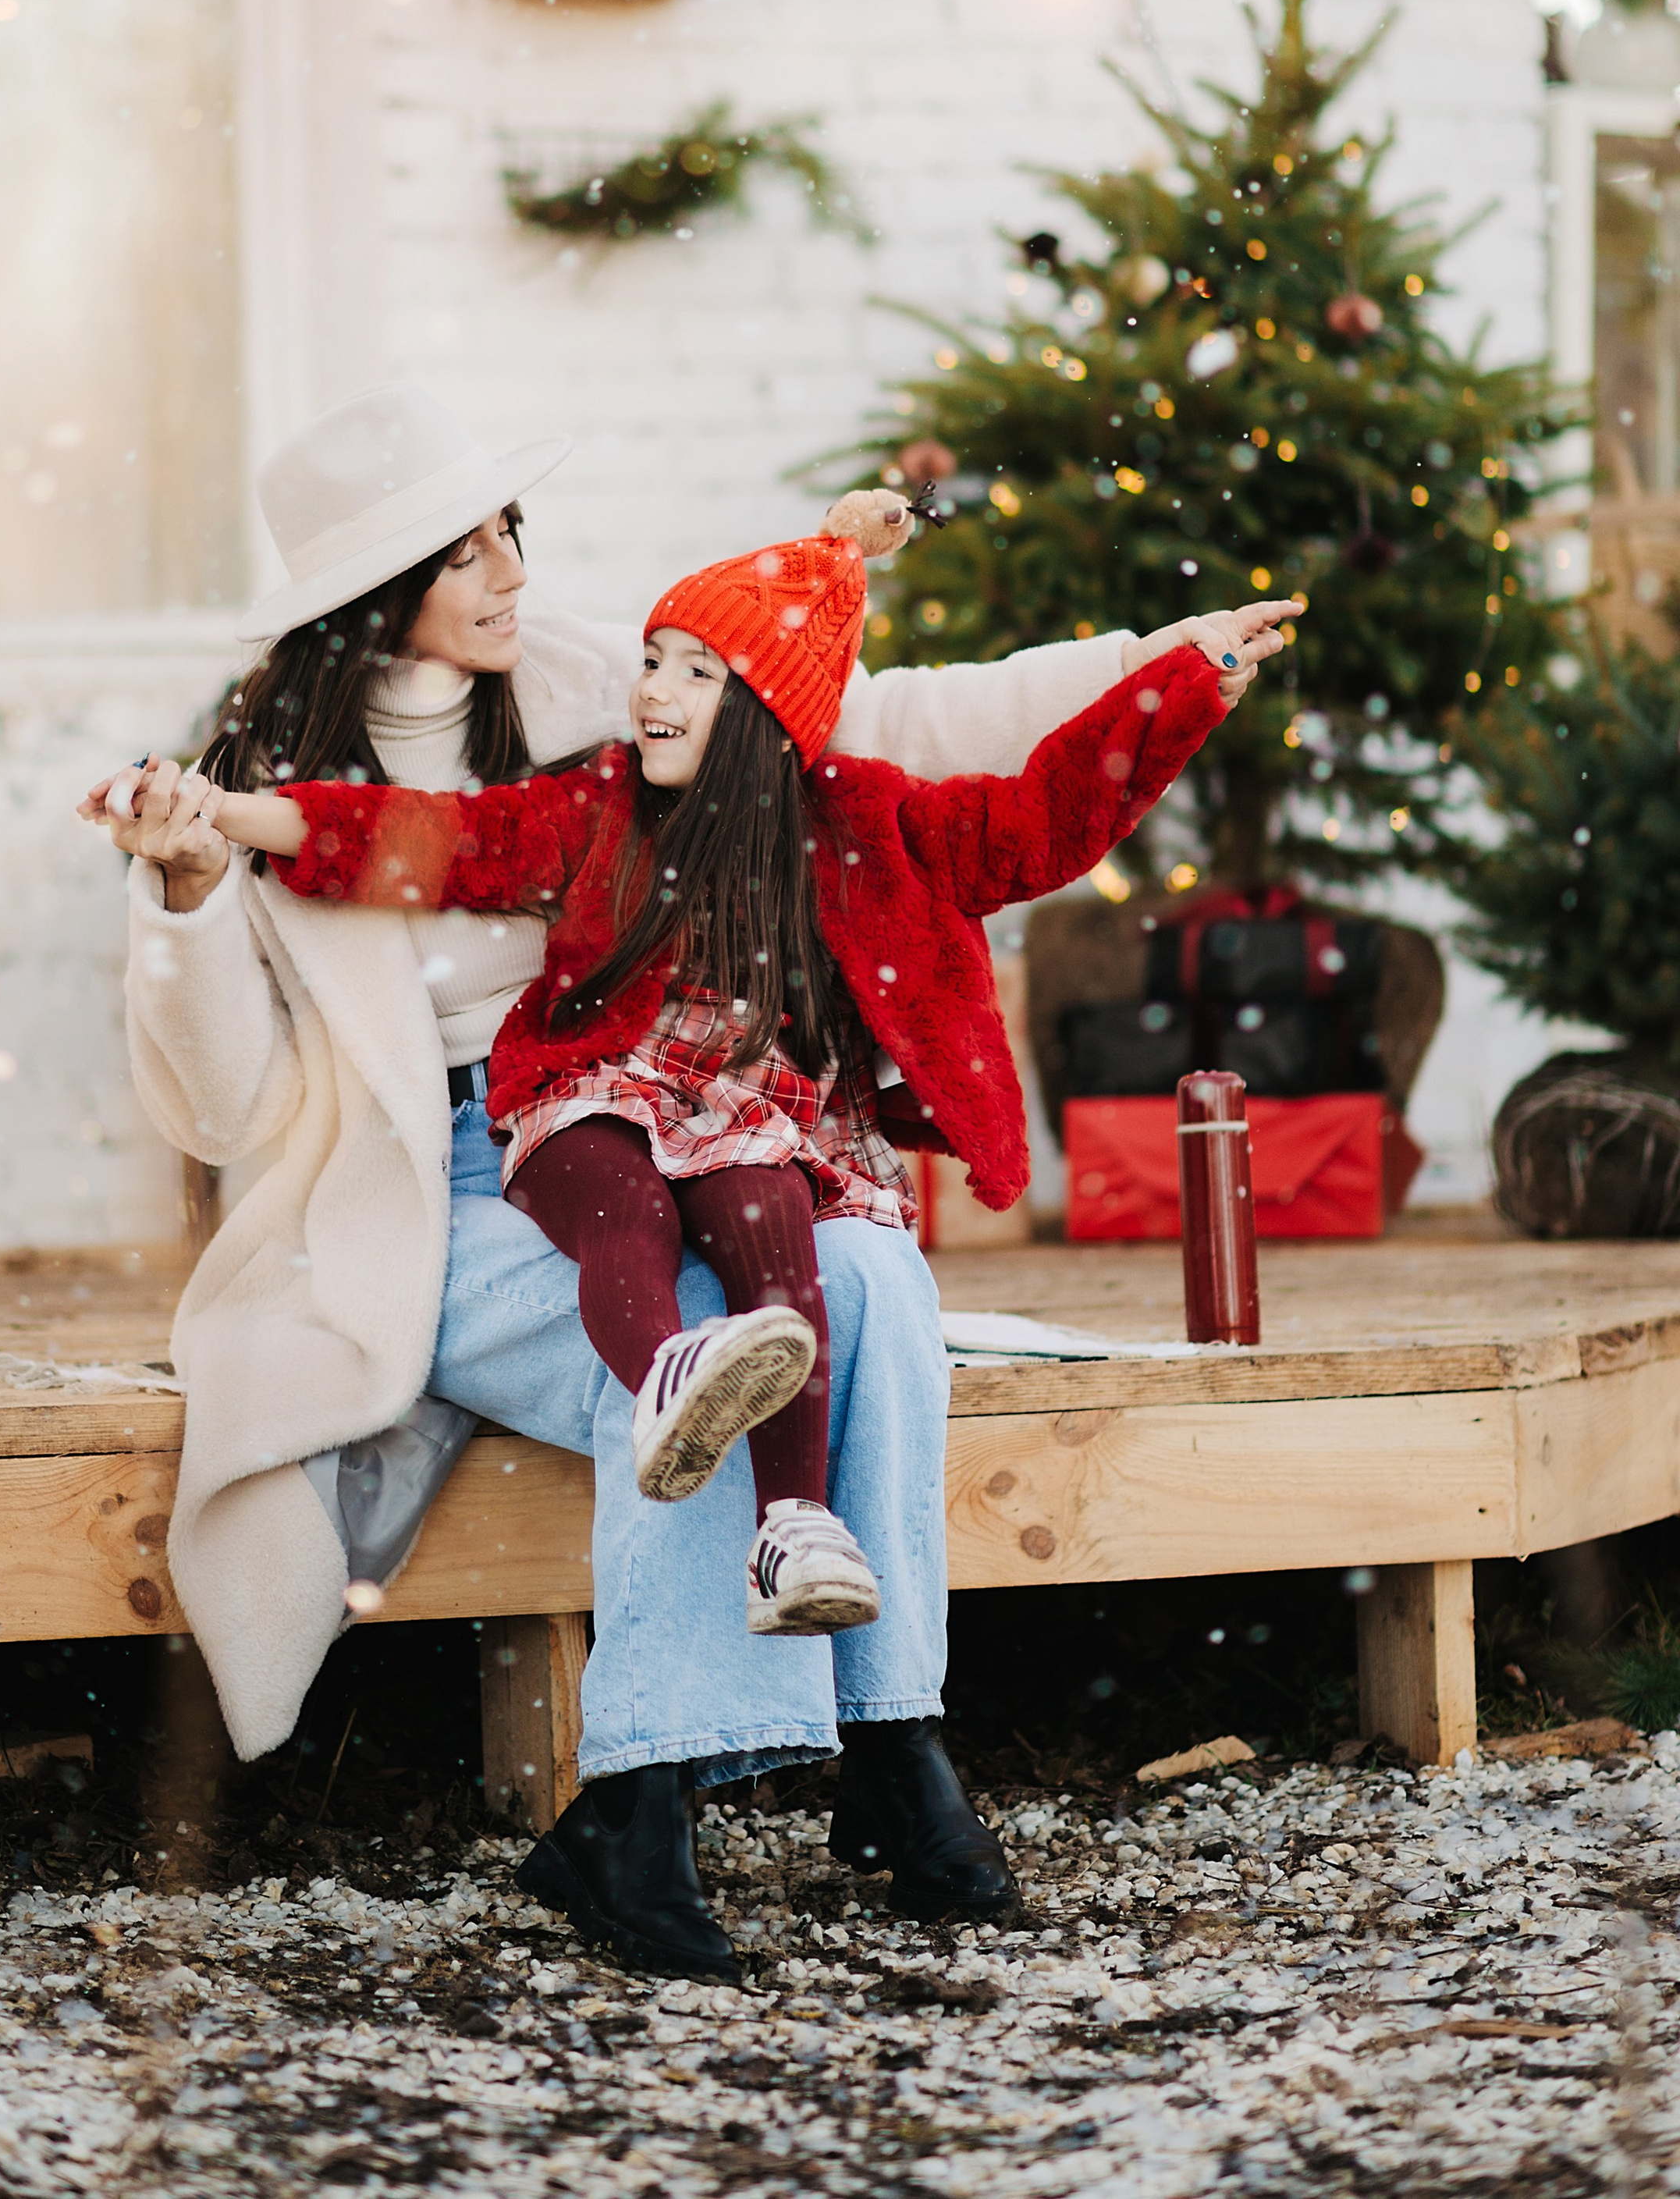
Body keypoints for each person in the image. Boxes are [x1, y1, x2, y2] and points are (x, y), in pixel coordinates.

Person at [83, 382, 1291, 1981]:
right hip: (425, 1188)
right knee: (690, 1345)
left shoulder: (596, 681)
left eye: (513, 531)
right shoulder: (258, 789)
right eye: (470, 550)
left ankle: (891, 1741)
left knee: (869, 1275)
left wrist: (1154, 660)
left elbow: (892, 717)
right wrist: (186, 892)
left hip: (682, 1120)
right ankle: (641, 1803)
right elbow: (222, 1100)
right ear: (379, 591)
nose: (514, 571)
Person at [197, 490, 1227, 1675]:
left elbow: (1037, 822)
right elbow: (425, 835)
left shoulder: (856, 821)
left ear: (768, 714)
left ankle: (793, 1525)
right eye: (651, 660)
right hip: (590, 1095)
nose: (651, 690)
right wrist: (230, 814)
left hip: (750, 1113)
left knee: (774, 1228)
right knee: (625, 1210)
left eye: (697, 672)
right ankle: (663, 1381)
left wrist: (1180, 689)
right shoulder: (599, 804)